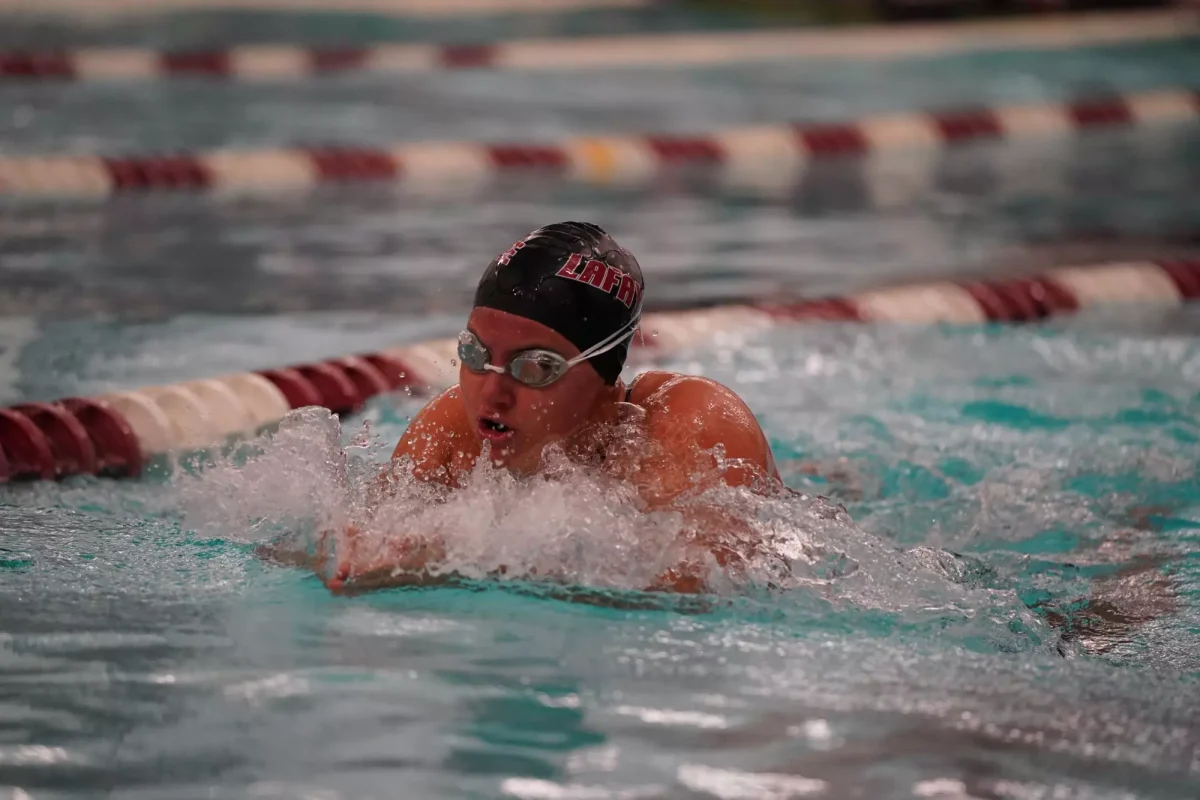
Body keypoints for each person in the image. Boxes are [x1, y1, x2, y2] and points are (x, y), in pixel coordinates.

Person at [320, 221, 785, 594]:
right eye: (476, 356)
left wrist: (456, 561)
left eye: (536, 367)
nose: (492, 394)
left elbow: (700, 585)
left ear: (604, 381)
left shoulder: (692, 424)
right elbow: (358, 545)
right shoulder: (453, 427)